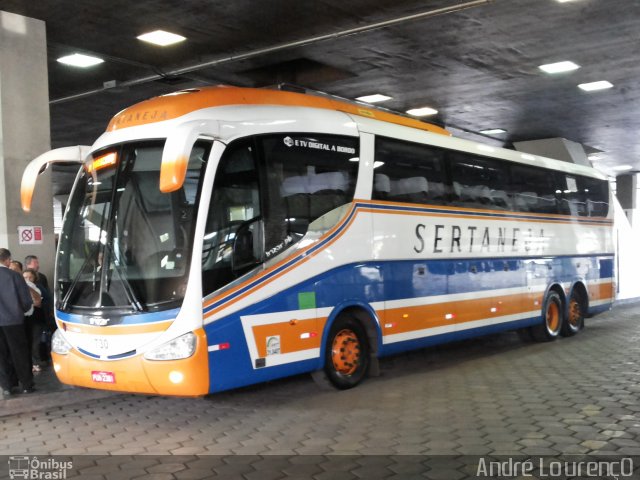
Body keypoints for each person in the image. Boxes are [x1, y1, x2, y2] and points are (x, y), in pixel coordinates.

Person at [0, 248, 34, 396]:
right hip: (13, 320)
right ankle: (26, 384)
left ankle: (7, 385)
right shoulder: (14, 276)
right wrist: (22, 310)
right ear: (7, 260)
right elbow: (26, 301)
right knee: (19, 352)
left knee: (1, 354)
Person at [23, 269, 45, 372]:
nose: (27, 279)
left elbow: (39, 303)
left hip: (37, 319)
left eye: (29, 277)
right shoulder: (21, 288)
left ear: (34, 278)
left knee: (35, 342)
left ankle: (35, 362)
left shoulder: (38, 288)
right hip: (25, 319)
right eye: (25, 277)